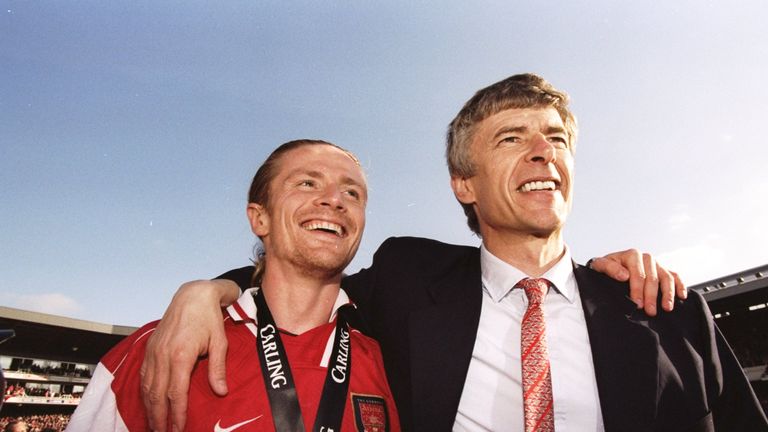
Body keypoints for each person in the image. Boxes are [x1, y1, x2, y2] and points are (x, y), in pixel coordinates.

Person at [141, 74, 766, 431]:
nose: (542, 152)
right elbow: (302, 271)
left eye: (555, 138)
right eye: (511, 138)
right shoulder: (409, 278)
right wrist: (209, 290)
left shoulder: (665, 310)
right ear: (463, 184)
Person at [66, 140, 400, 431]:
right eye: (307, 183)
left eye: (352, 192)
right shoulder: (160, 347)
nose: (334, 200)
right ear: (260, 218)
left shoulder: (388, 361)